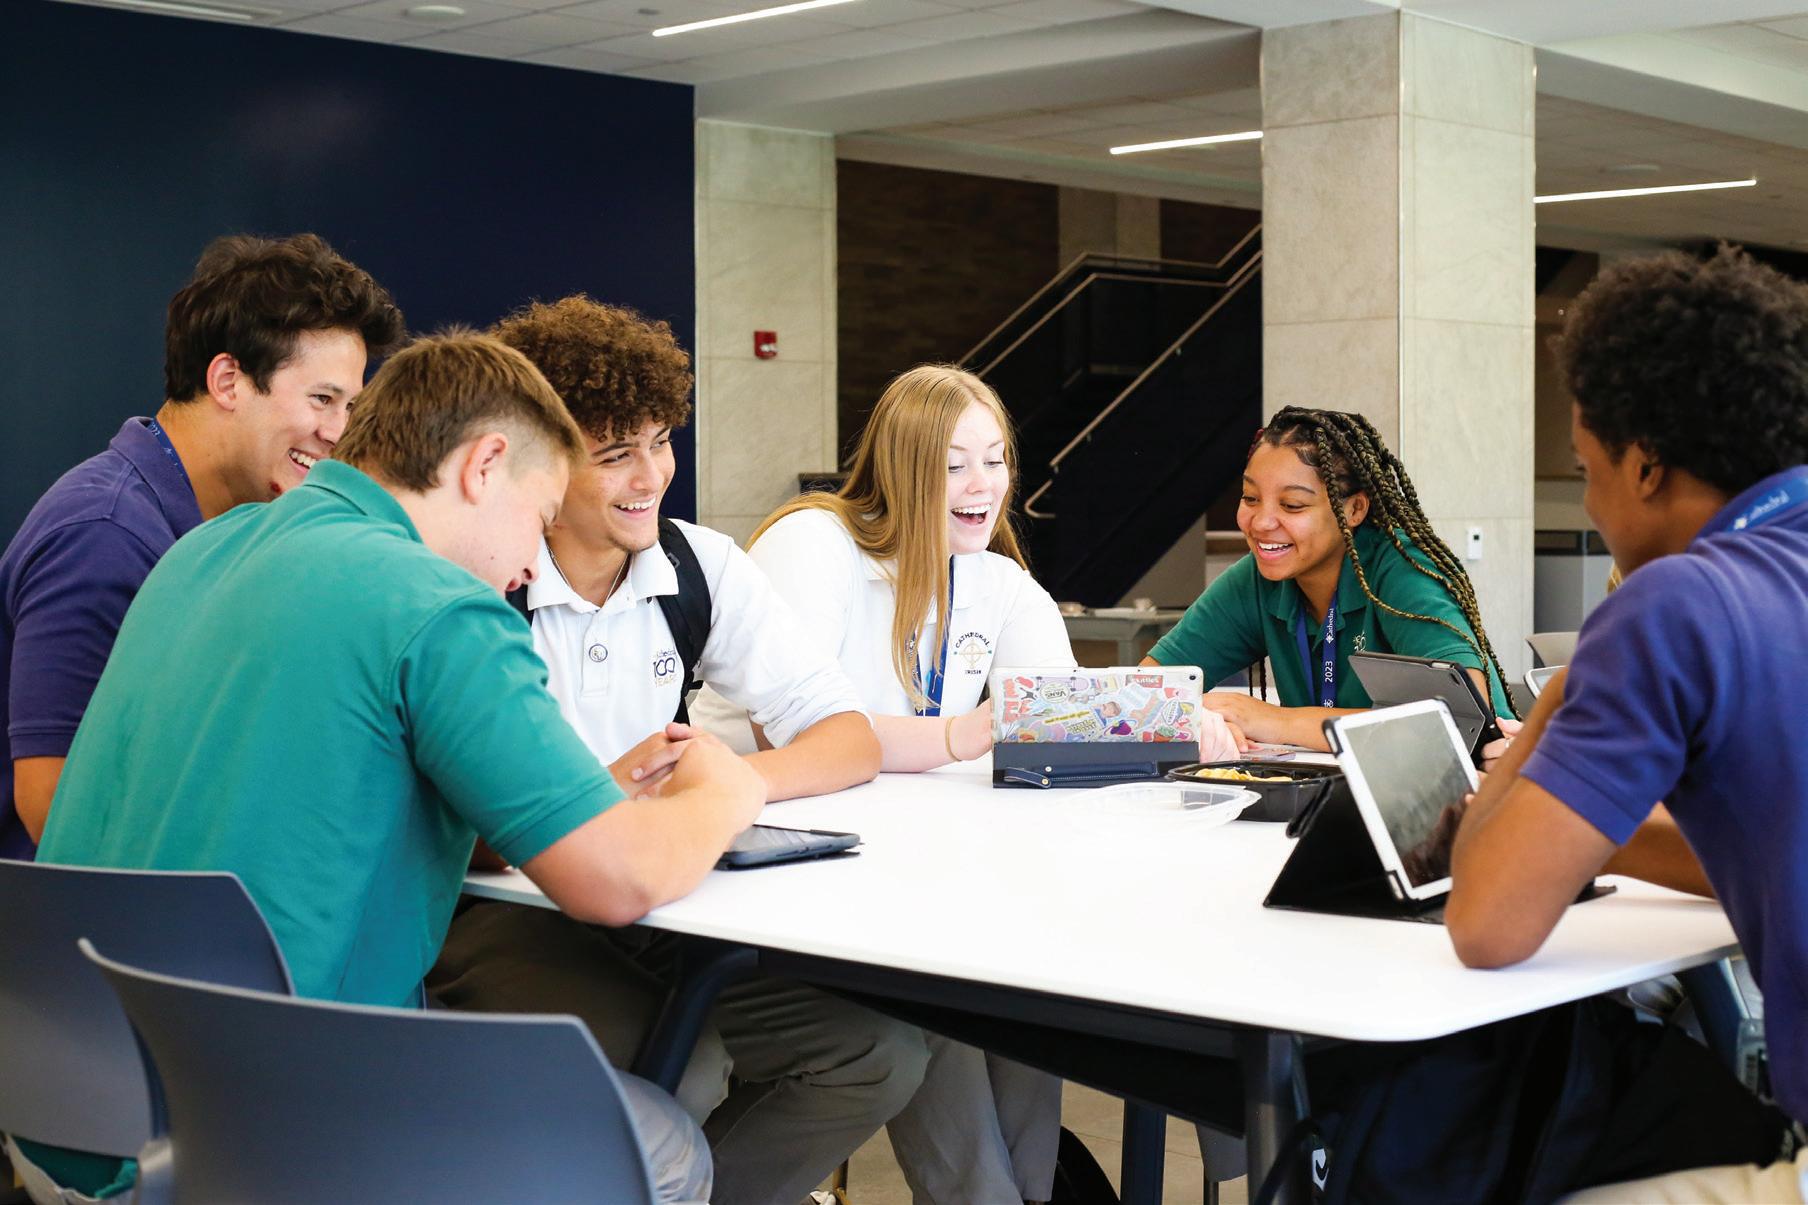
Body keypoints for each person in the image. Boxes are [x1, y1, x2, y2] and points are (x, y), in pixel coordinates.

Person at [33, 333, 761, 1204]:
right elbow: (618, 879)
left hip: (76, 1110)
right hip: (272, 1129)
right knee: (664, 1148)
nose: (532, 564)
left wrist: (583, 795)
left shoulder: (202, 550)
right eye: (539, 519)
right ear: (483, 466)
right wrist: (730, 790)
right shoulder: (439, 605)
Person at [699, 364, 1236, 1203]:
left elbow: (1064, 712)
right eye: (953, 465)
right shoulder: (815, 543)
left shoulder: (992, 577)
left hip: (901, 863)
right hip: (767, 864)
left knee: (1026, 979)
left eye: (996, 460)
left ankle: (1028, 1191)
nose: (982, 484)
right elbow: (800, 737)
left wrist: (1173, 721)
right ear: (901, 468)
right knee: (936, 998)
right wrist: (959, 733)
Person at [427, 297, 920, 1205]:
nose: (651, 473)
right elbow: (458, 827)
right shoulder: (484, 575)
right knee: (683, 1059)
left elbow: (847, 736)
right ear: (541, 461)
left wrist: (722, 784)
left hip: (666, 904)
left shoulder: (699, 565)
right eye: (616, 452)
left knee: (876, 1053)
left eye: (660, 440)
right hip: (504, 910)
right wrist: (596, 798)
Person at [1446, 245, 1808, 1201]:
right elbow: (1766, 847)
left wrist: (1555, 699)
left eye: (1586, 468)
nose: (1590, 501)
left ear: (1645, 464)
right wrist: (1584, 839)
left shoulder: (1678, 604)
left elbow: (1485, 922)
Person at [0, 233, 404, 860]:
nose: (338, 433)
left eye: (350, 406)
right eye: (322, 399)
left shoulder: (243, 528)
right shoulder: (103, 533)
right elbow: (51, 807)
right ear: (227, 380)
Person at [1143, 407, 1516, 752]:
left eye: (1292, 505)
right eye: (1250, 498)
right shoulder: (1256, 579)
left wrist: (1271, 720)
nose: (1261, 522)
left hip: (1475, 782)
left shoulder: (1401, 570)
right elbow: (1140, 696)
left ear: (1354, 509)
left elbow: (1459, 722)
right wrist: (1202, 720)